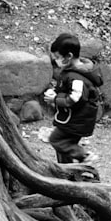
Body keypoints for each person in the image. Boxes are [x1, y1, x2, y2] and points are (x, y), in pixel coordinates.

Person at [43, 32, 102, 170]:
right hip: (74, 120)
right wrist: (56, 91)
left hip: (77, 121)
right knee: (64, 147)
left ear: (68, 56)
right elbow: (67, 89)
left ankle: (84, 155)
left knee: (56, 140)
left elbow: (76, 98)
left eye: (57, 58)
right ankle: (67, 172)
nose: (56, 62)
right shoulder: (72, 72)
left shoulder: (76, 77)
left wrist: (55, 99)